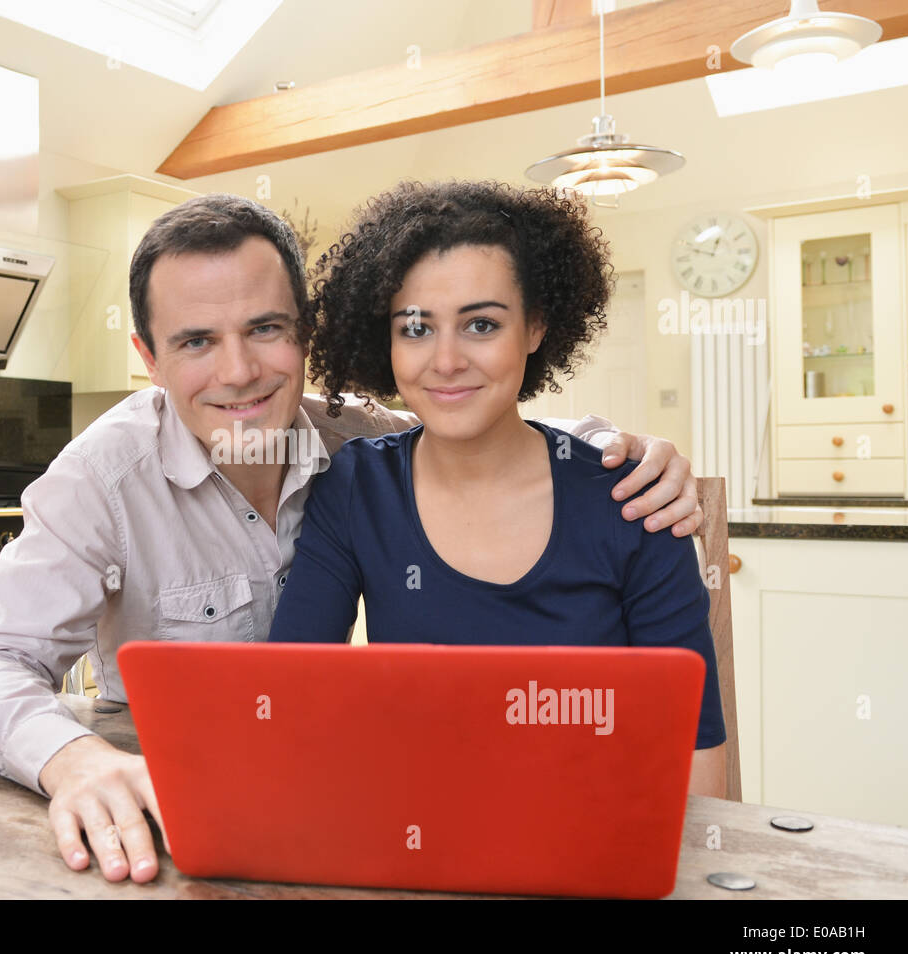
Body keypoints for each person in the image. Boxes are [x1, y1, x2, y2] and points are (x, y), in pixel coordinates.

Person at [0, 192, 709, 883]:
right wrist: (74, 760)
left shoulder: (348, 439)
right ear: (148, 358)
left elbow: (472, 420)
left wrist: (620, 451)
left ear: (306, 333)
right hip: (180, 823)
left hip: (374, 812)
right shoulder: (102, 479)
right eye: (196, 341)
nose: (238, 372)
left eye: (265, 329)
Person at [268, 179, 726, 797]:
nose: (447, 360)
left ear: (535, 328)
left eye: (481, 324)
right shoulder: (358, 486)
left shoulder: (635, 501)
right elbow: (288, 697)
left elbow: (697, 764)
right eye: (416, 328)